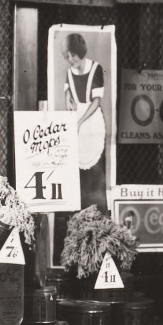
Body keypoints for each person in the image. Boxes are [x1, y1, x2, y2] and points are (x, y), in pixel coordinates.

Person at [61, 32, 106, 208]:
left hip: (92, 120)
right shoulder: (69, 72)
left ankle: (97, 212)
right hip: (76, 120)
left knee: (95, 174)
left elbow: (96, 102)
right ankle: (78, 212)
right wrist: (67, 98)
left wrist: (80, 122)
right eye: (67, 56)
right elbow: (67, 89)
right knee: (77, 173)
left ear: (80, 51)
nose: (71, 59)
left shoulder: (96, 69)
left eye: (73, 54)